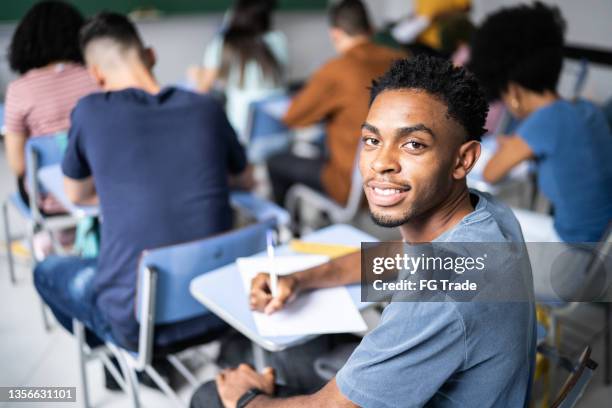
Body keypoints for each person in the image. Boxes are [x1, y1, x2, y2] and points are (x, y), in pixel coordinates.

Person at [190, 55, 536, 408]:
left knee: (210, 396)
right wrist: (303, 279)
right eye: (372, 140)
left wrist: (246, 398)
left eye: (413, 144)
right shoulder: (487, 214)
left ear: (463, 160)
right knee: (278, 348)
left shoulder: (438, 295)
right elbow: (404, 255)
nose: (380, 162)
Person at [33, 12, 251, 352]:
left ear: (96, 75)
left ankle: (113, 352)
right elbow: (244, 178)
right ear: (151, 56)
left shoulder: (90, 112)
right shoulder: (206, 107)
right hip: (221, 309)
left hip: (139, 326)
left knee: (46, 270)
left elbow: (77, 193)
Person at [469, 2, 612, 244]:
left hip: (570, 252)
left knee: (471, 219)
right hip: (599, 244)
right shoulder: (585, 110)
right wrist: (515, 145)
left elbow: (491, 173)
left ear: (513, 91)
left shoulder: (544, 121)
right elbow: (565, 149)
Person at [267, 0, 405, 206]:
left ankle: (289, 232)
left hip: (354, 184)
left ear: (335, 34)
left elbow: (292, 116)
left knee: (276, 162)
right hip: (400, 174)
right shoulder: (402, 59)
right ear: (370, 29)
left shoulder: (337, 70)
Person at [4, 0, 98, 210]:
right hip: (101, 193)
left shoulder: (19, 89)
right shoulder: (96, 76)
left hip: (48, 202)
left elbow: (18, 165)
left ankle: (52, 239)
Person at [188, 0, 287, 142]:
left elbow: (202, 88)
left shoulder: (223, 44)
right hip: (278, 129)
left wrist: (197, 75)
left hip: (243, 132)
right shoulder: (279, 40)